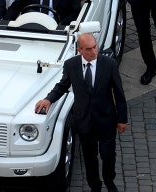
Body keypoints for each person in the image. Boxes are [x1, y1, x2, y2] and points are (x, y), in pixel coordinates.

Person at [34, 33, 127, 192]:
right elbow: (62, 86)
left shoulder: (109, 64)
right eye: (89, 49)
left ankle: (109, 180)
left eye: (95, 47)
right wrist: (48, 99)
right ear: (80, 50)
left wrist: (122, 119)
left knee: (108, 155)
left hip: (106, 120)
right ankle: (94, 186)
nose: (94, 52)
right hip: (84, 122)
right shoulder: (71, 65)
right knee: (89, 158)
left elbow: (119, 93)